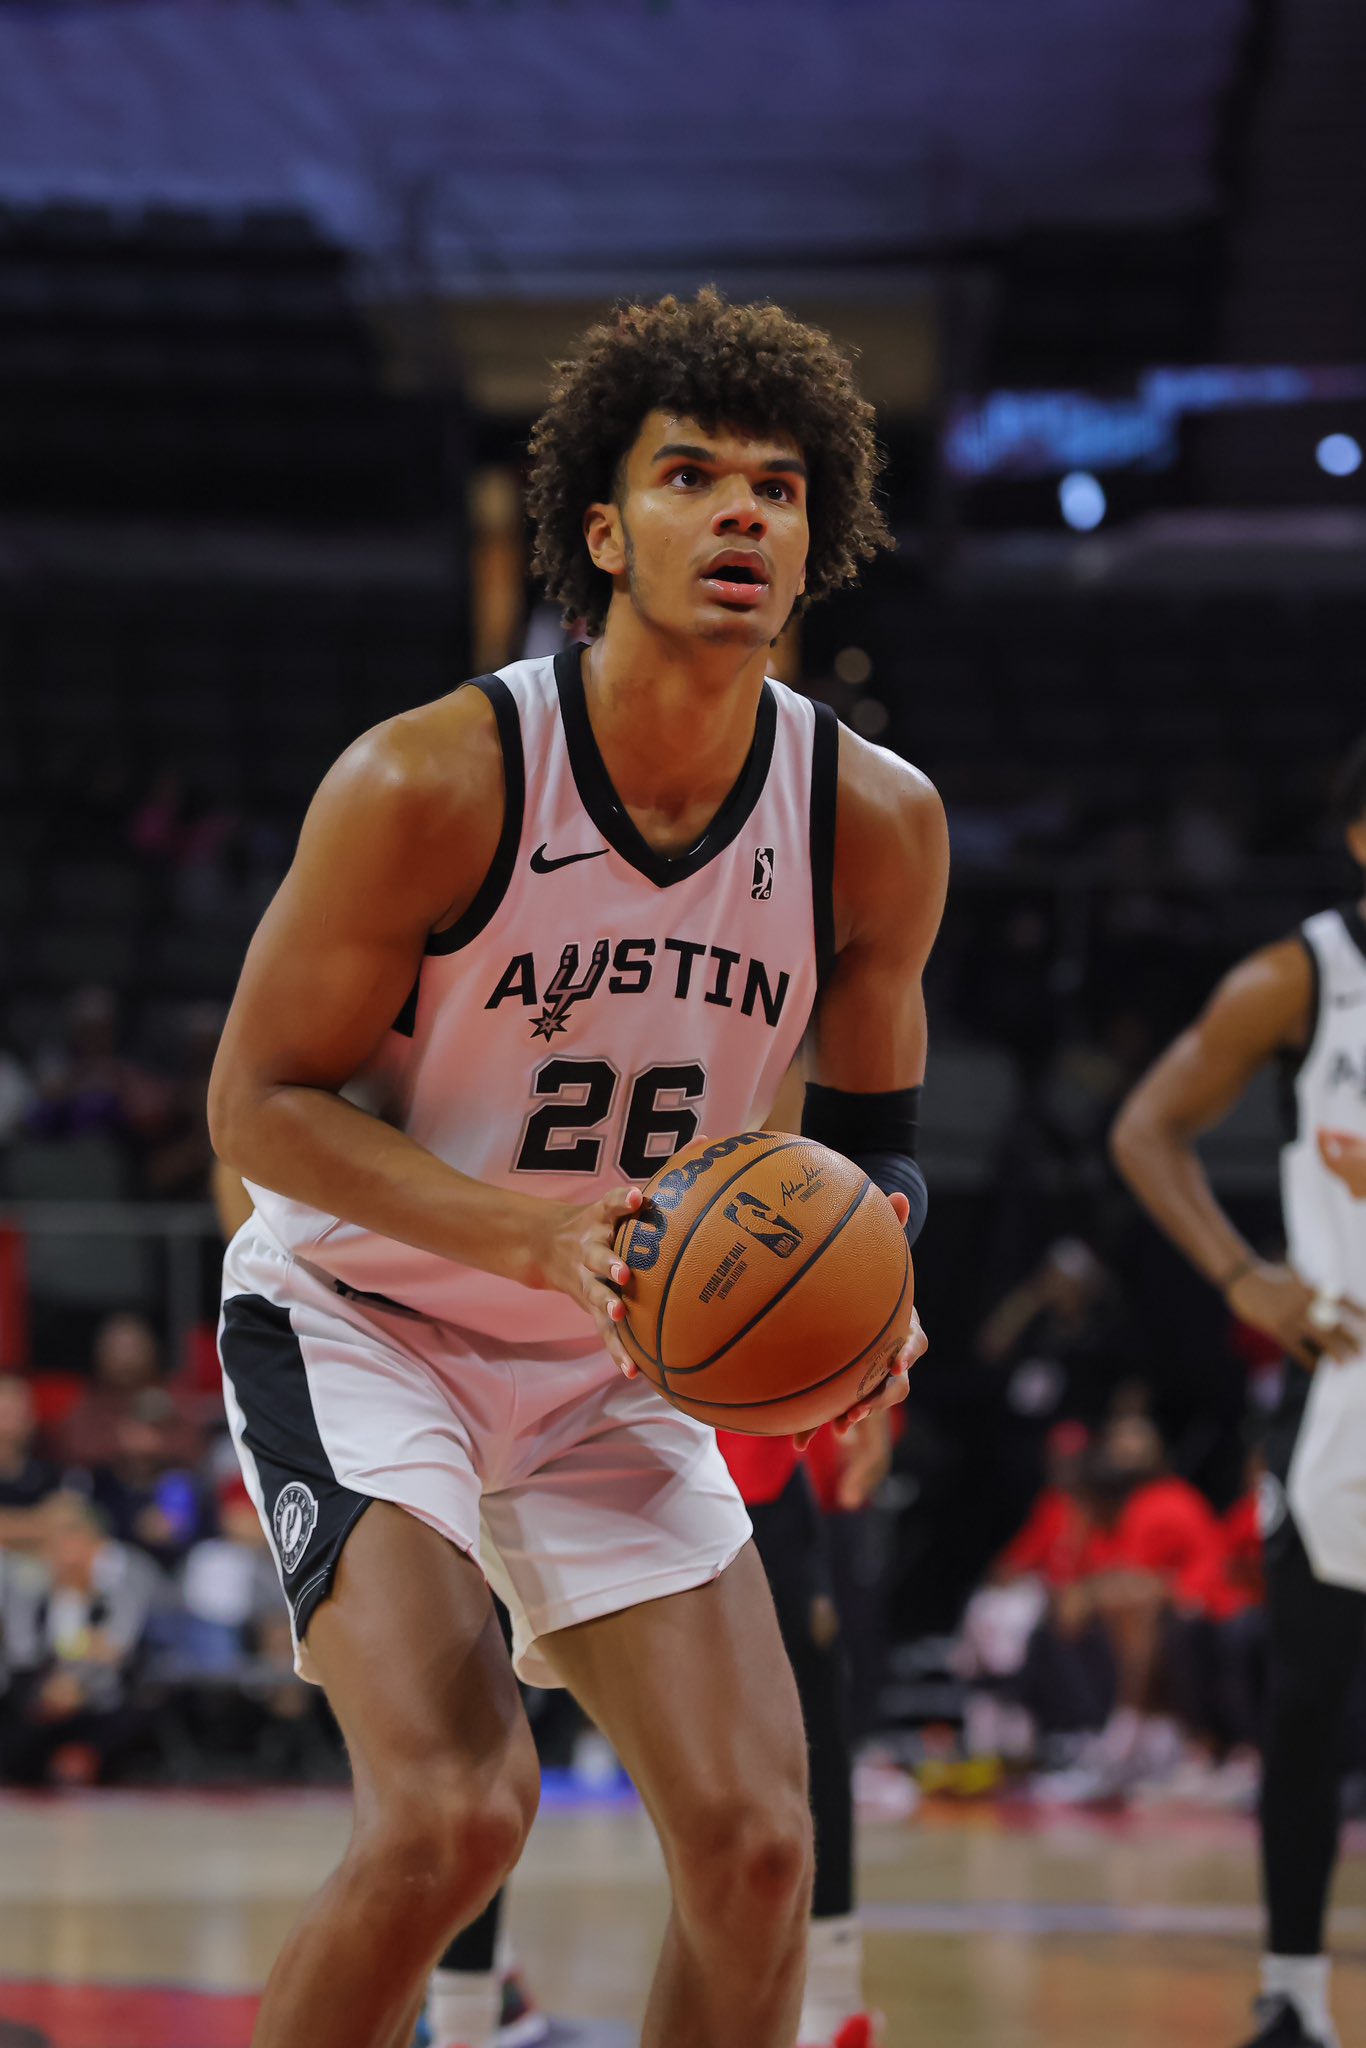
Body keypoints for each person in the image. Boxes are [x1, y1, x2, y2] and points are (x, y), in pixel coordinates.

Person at [208, 287, 945, 2048]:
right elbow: (255, 1106)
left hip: (623, 1356)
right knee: (458, 1813)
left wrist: (872, 1298)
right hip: (370, 1324)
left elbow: (877, 1153)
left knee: (762, 1848)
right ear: (605, 534)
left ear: (815, 534)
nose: (743, 512)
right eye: (692, 477)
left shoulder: (872, 821)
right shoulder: (432, 778)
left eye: (776, 485)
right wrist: (530, 1240)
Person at [1110, 733, 1366, 2048]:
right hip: (1347, 1411)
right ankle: (1290, 1997)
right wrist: (1240, 1276)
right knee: (1308, 1712)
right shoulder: (1302, 978)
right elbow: (1143, 1126)